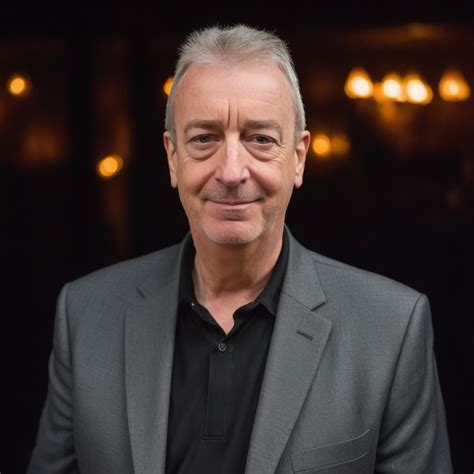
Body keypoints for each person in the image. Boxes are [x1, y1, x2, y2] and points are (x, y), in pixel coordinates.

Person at [28, 25, 452, 473]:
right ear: (172, 157)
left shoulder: (391, 329)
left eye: (261, 139)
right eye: (204, 139)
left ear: (298, 158)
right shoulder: (86, 315)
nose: (232, 172)